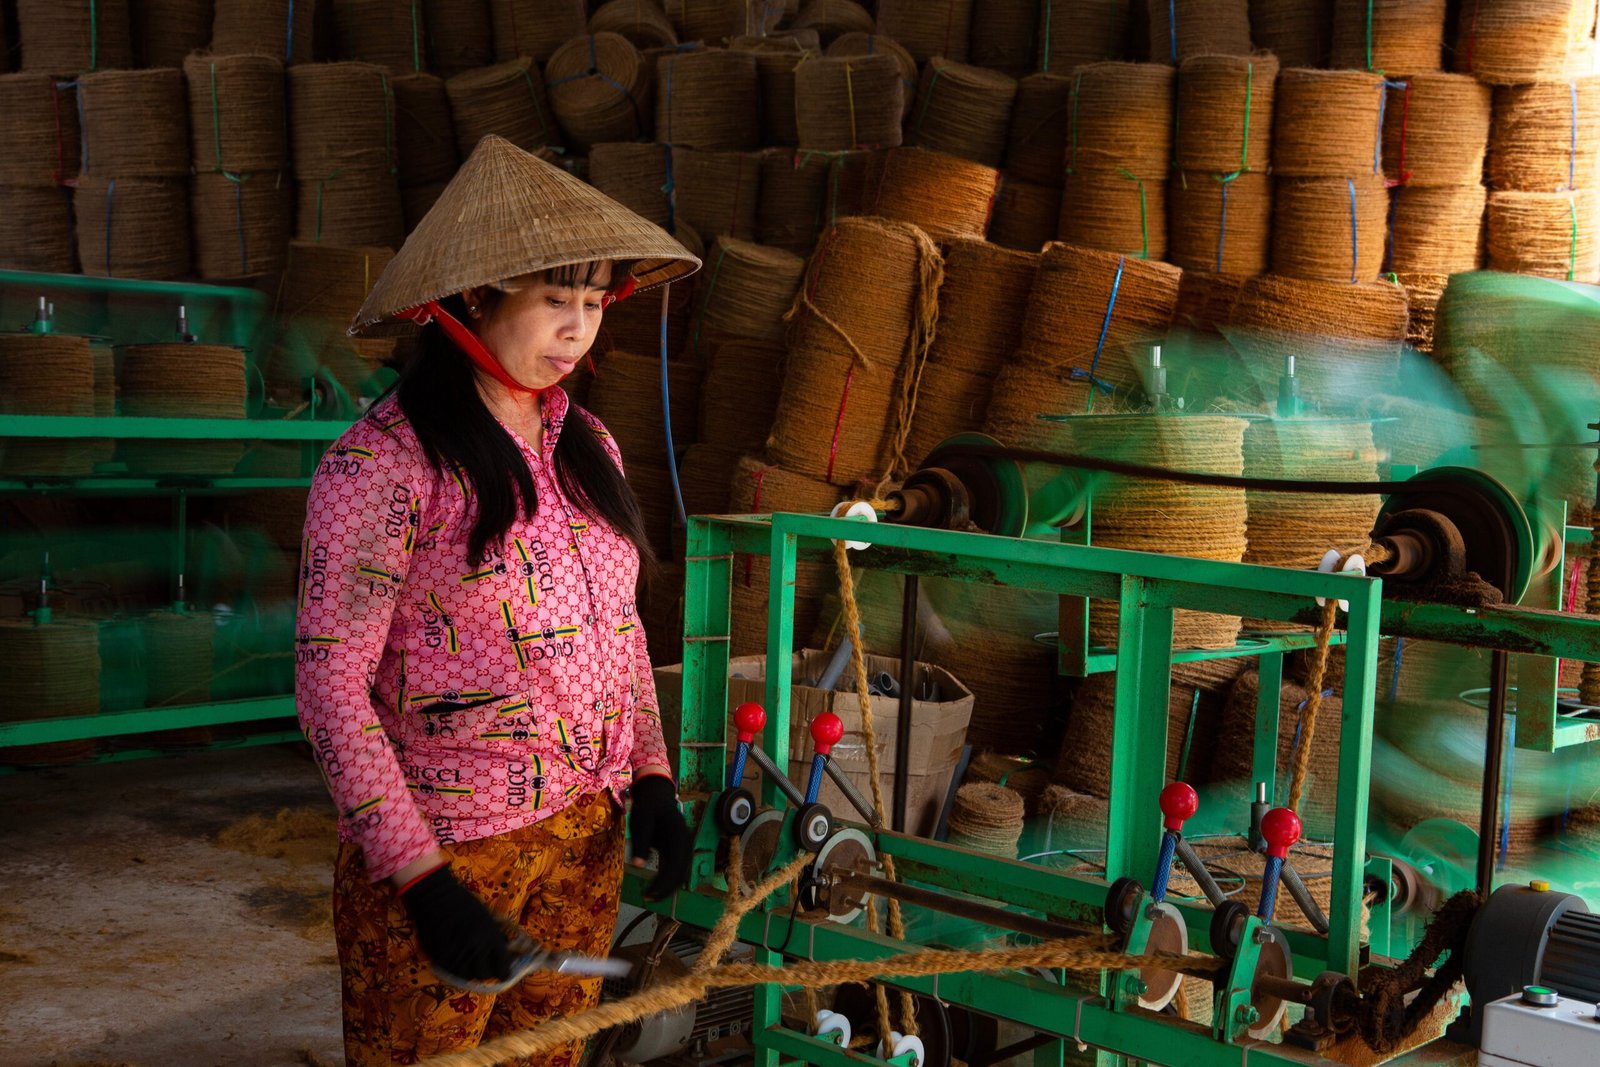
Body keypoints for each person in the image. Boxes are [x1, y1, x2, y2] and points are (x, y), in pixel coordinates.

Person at [295, 134, 701, 1066]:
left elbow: (621, 627)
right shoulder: (383, 465)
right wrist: (420, 878)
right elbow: (329, 686)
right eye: (556, 300)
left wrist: (651, 779)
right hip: (451, 858)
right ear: (473, 300)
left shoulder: (588, 442)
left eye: (596, 302)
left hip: (581, 848)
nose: (580, 330)